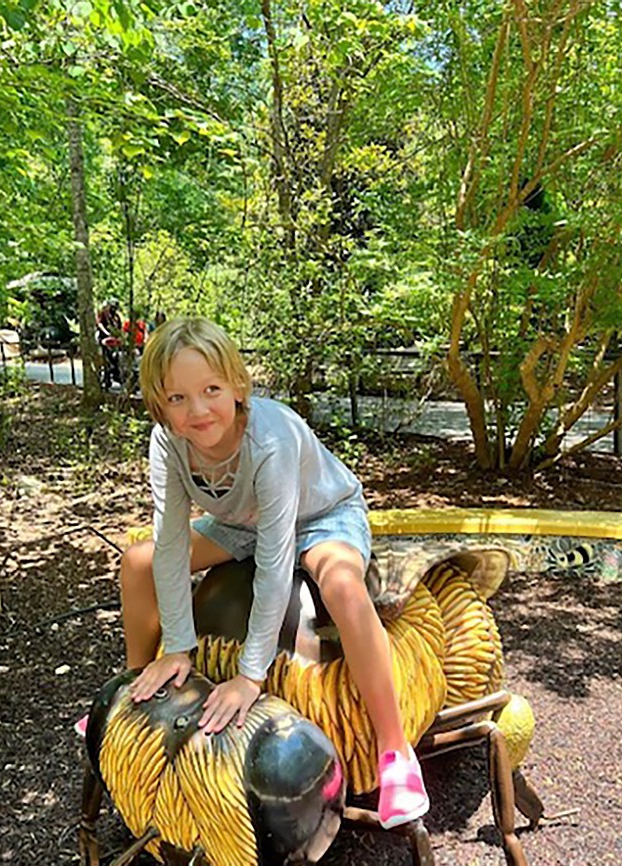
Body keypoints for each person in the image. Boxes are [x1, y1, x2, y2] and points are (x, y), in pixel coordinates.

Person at [109, 316, 429, 830]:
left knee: (343, 587)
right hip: (241, 522)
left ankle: (395, 750)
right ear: (158, 403)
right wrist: (178, 645)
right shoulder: (168, 443)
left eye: (210, 390)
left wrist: (249, 676)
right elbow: (169, 542)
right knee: (138, 562)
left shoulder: (270, 440)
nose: (197, 410)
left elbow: (276, 559)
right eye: (177, 398)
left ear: (237, 387)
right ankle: (136, 696)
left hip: (319, 515)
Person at [96, 298, 123, 386]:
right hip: (103, 339)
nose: (113, 309)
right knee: (106, 358)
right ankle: (107, 378)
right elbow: (99, 324)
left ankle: (116, 373)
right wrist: (106, 333)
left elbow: (119, 328)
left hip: (114, 341)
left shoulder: (116, 317)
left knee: (116, 357)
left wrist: (119, 335)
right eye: (112, 307)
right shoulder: (103, 314)